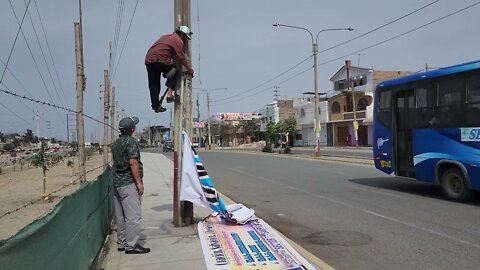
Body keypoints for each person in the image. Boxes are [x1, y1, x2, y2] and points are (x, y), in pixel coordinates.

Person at [111, 116, 150, 254]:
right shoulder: (130, 142)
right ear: (132, 129)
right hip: (128, 183)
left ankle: (121, 243)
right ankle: (131, 245)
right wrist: (139, 183)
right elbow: (133, 162)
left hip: (117, 183)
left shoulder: (116, 143)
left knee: (120, 217)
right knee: (133, 217)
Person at [145, 25, 195, 113]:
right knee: (174, 72)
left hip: (149, 60)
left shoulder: (166, 37)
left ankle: (156, 105)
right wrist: (189, 69)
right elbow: (181, 57)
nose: (185, 40)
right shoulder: (178, 41)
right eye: (185, 37)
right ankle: (170, 95)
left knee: (154, 85)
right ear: (182, 35)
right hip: (160, 59)